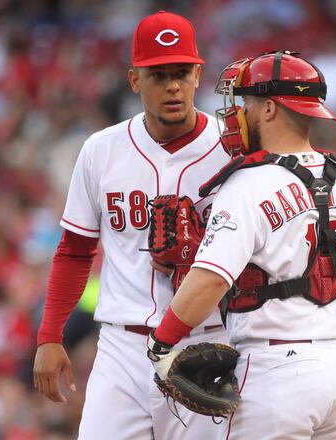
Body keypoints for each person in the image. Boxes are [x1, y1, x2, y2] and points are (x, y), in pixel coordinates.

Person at [147, 51, 336, 439]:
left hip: (278, 369)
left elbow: (211, 279)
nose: (239, 114)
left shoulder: (247, 184)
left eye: (247, 103)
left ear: (269, 108)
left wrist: (161, 343)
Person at [33, 10, 230, 439]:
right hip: (122, 347)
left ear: (199, 74)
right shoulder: (101, 150)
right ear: (134, 79)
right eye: (158, 75)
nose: (172, 85)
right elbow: (74, 249)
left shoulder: (232, 151)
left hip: (207, 343)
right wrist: (50, 335)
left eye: (181, 72)